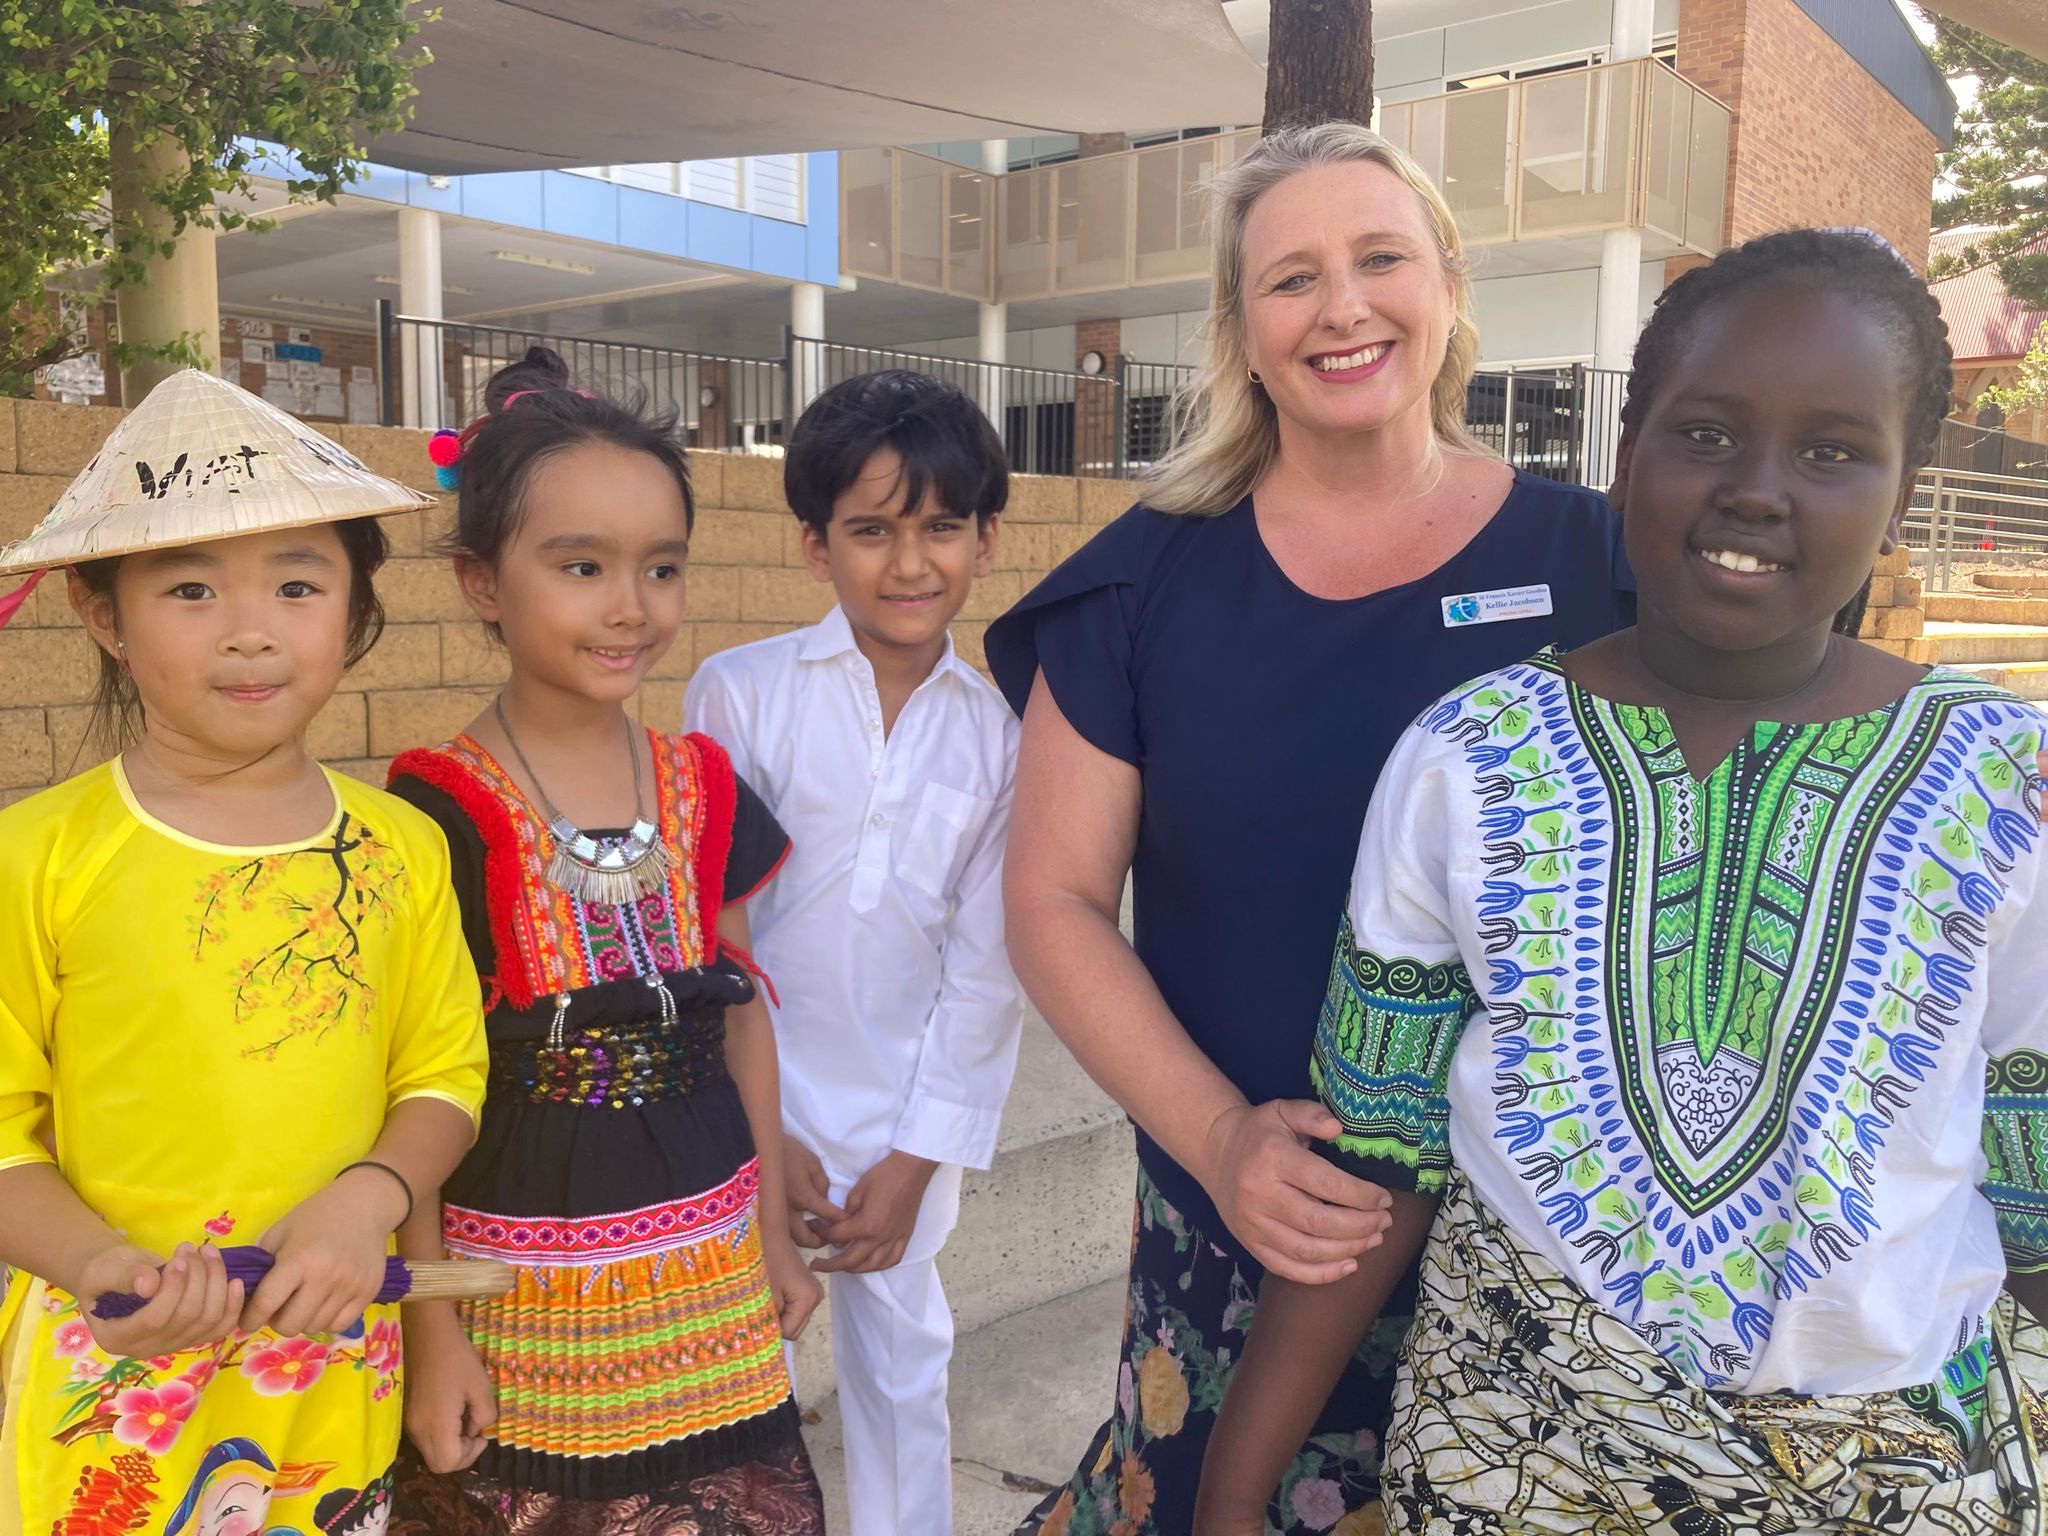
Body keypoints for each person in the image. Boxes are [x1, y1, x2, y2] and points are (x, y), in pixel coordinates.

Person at [1196, 228, 2048, 1535]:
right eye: (1706, 434)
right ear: (1624, 455)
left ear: (1902, 487)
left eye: (1832, 453)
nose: (1759, 490)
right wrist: (1237, 1482)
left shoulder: (2009, 782)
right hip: (1512, 1461)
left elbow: (2032, 1168)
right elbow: (1380, 1153)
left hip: (1905, 1474)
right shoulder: (1465, 758)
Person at [986, 122, 1637, 1533]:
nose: (1342, 306)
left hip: (1549, 1244)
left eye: (1380, 257)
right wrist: (1222, 1140)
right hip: (1249, 1225)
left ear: (1448, 282)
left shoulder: (1602, 564)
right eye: (1292, 278)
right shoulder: (1140, 585)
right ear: (1240, 328)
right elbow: (1050, 902)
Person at [0, 370, 488, 1534]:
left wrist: (364, 1204)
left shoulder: (401, 847)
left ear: (355, 608)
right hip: (107, 1363)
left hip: (331, 1361)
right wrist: (101, 1264)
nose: (252, 627)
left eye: (298, 582)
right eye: (188, 588)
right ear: (103, 616)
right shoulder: (37, 853)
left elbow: (440, 1080)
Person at [385, 347, 825, 1535]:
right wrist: (430, 1330)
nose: (630, 606)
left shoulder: (705, 785)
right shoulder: (434, 809)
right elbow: (414, 1079)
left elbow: (740, 1010)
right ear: (482, 582)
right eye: (581, 567)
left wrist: (774, 1232)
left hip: (707, 1266)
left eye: (661, 568)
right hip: (515, 1288)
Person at [685, 370, 1025, 1536]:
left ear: (986, 537)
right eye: (869, 530)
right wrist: (755, 1127)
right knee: (730, 1377)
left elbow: (984, 967)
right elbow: (705, 932)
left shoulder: (999, 739)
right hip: (744, 1107)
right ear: (811, 543)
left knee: (900, 1375)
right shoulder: (739, 696)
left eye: (940, 528)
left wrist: (917, 1157)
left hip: (895, 1121)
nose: (908, 563)